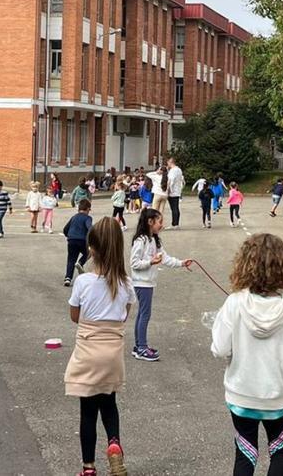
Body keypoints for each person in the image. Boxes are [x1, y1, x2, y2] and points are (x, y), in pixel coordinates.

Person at [210, 233, 283, 476]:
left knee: (245, 452)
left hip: (241, 394)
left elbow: (220, 348)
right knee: (280, 451)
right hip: (275, 396)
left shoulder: (234, 304)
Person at [64, 217, 133, 476]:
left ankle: (89, 468)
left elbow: (74, 316)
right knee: (109, 403)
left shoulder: (83, 282)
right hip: (112, 353)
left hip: (88, 352)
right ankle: (114, 444)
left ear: (91, 248)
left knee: (88, 412)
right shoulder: (126, 283)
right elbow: (124, 315)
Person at [129, 209, 192, 361]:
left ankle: (139, 346)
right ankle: (142, 347)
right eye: (160, 222)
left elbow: (165, 258)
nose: (162, 225)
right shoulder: (141, 241)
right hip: (142, 283)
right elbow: (134, 263)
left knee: (142, 314)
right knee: (145, 314)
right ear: (150, 222)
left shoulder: (154, 240)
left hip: (148, 282)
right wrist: (150, 262)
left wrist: (181, 263)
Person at [63, 199, 94, 286]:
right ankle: (80, 263)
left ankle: (68, 278)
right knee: (89, 252)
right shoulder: (88, 218)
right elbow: (90, 228)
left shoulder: (74, 217)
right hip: (82, 240)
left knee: (71, 258)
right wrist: (90, 240)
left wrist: (68, 236)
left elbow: (65, 229)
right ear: (88, 209)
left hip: (71, 240)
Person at [167, 157, 185, 228]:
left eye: (168, 162)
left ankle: (174, 224)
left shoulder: (173, 170)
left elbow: (171, 181)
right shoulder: (179, 170)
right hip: (177, 190)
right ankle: (176, 223)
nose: (167, 164)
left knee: (173, 208)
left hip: (172, 191)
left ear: (171, 162)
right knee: (176, 207)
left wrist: (168, 190)